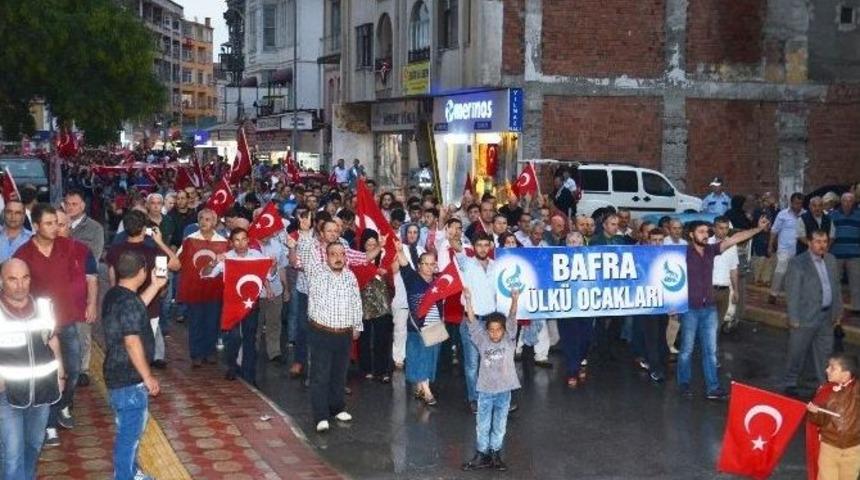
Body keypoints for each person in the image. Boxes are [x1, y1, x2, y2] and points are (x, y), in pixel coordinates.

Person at [14, 203, 97, 446]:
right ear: (36, 226)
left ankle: (62, 404)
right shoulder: (23, 254)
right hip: (39, 326)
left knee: (73, 370)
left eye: (57, 223)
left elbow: (89, 268)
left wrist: (90, 301)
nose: (55, 228)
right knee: (47, 374)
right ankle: (48, 423)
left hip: (67, 320)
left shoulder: (68, 247)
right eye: (49, 224)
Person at [677, 215, 770, 400]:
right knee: (686, 350)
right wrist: (672, 304)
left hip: (709, 308)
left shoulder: (711, 250)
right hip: (689, 309)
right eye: (701, 232)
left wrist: (758, 229)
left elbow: (735, 238)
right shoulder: (682, 253)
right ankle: (684, 383)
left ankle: (713, 388)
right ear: (691, 235)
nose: (705, 235)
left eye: (706, 232)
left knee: (710, 351)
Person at [287, 212, 361, 433]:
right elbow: (306, 253)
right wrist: (305, 231)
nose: (338, 257)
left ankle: (337, 408)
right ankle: (321, 415)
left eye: (341, 254)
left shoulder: (350, 276)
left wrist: (357, 326)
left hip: (344, 333)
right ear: (326, 257)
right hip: (322, 333)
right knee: (320, 375)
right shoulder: (316, 272)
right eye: (333, 254)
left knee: (339, 374)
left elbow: (356, 301)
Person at [102, 251, 165, 480]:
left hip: (116, 374)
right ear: (142, 272)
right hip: (129, 379)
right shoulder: (128, 301)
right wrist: (147, 377)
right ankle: (124, 476)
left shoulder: (115, 294)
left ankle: (132, 472)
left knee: (128, 430)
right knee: (129, 437)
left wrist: (155, 286)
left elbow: (136, 308)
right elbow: (131, 342)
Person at [0, 259, 64, 480]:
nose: (20, 285)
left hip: (42, 390)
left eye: (25, 278)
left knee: (34, 444)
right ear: (1, 281)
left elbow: (52, 340)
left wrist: (61, 374)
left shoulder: (44, 307)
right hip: (7, 394)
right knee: (12, 452)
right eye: (13, 279)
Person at [107, 211, 180, 370]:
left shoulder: (115, 250)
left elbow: (112, 279)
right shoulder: (153, 251)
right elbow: (176, 265)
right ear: (144, 229)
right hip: (150, 308)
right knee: (144, 350)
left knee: (125, 346)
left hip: (122, 306)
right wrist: (160, 242)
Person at [461, 288, 520, 472]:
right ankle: (482, 454)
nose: (494, 333)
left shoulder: (509, 339)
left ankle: (495, 453)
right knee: (483, 423)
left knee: (500, 424)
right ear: (486, 331)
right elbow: (472, 322)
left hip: (504, 390)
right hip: (485, 391)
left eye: (498, 330)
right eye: (491, 330)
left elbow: (512, 318)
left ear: (504, 330)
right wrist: (468, 300)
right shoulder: (482, 340)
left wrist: (515, 299)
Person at [782, 229, 843, 395]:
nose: (822, 245)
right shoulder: (798, 263)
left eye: (825, 241)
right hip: (804, 316)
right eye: (818, 241)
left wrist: (838, 311)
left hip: (826, 316)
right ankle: (790, 382)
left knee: (825, 353)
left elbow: (836, 287)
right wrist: (793, 317)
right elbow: (792, 291)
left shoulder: (831, 260)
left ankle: (824, 385)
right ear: (809, 243)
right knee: (797, 351)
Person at [202, 228, 266, 383]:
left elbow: (270, 274)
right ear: (231, 243)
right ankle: (232, 365)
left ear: (248, 240)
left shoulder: (257, 256)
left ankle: (249, 374)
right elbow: (205, 274)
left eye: (244, 239)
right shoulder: (227, 257)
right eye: (237, 240)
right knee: (234, 337)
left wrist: (274, 266)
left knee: (250, 338)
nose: (241, 243)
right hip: (232, 303)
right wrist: (214, 262)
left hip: (250, 303)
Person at [393, 239, 443, 407]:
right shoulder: (412, 278)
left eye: (432, 264)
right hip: (417, 326)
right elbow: (404, 265)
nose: (429, 267)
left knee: (431, 358)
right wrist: (400, 251)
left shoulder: (439, 282)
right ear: (419, 265)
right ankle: (427, 391)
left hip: (435, 325)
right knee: (419, 356)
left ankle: (422, 387)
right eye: (425, 264)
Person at [176, 209, 229, 367]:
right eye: (201, 219)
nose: (204, 222)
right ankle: (196, 354)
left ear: (214, 222)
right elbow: (178, 260)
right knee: (196, 322)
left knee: (212, 322)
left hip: (215, 288)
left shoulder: (223, 242)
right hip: (194, 288)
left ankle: (210, 352)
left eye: (207, 219)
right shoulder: (189, 240)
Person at [64, 189, 105, 388]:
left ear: (83, 206)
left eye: (74, 204)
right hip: (61, 286)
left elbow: (93, 257)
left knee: (82, 329)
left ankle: (83, 369)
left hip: (83, 285)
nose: (70, 207)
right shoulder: (58, 223)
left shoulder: (95, 228)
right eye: (68, 204)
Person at [454, 233, 498, 412]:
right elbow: (455, 244)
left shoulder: (496, 266)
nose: (482, 249)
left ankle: (494, 398)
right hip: (471, 320)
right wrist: (451, 231)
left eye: (486, 245)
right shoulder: (466, 263)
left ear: (490, 247)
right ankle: (475, 399)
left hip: (492, 322)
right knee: (472, 364)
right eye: (479, 245)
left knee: (491, 363)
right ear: (473, 247)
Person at [806, 353, 860, 480]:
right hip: (828, 447)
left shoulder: (857, 391)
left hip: (853, 450)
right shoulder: (825, 391)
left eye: (832, 368)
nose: (827, 370)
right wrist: (815, 413)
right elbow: (821, 422)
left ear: (845, 375)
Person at [357, 230, 394, 382]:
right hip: (363, 303)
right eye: (368, 245)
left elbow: (392, 279)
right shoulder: (358, 259)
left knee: (382, 337)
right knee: (365, 338)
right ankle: (367, 369)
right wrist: (373, 272)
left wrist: (386, 272)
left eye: (374, 244)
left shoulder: (384, 259)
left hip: (382, 304)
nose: (372, 247)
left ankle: (383, 370)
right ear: (363, 245)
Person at [768, 192, 804, 304]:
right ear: (791, 203)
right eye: (796, 203)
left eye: (800, 203)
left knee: (796, 274)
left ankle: (794, 296)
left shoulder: (805, 215)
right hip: (784, 248)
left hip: (799, 249)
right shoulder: (782, 214)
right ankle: (773, 293)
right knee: (780, 270)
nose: (798, 206)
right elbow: (774, 231)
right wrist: (770, 245)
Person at [830, 192, 860, 312]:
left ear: (854, 203)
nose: (847, 203)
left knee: (856, 282)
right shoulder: (832, 215)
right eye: (845, 201)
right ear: (841, 202)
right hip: (836, 253)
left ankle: (857, 307)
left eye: (850, 201)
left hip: (855, 254)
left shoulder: (859, 215)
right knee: (834, 281)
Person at [709, 216, 739, 330]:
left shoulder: (732, 245)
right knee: (707, 325)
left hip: (725, 291)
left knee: (718, 325)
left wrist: (735, 290)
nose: (724, 231)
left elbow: (733, 269)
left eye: (726, 228)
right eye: (721, 228)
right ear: (714, 228)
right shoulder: (706, 243)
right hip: (708, 290)